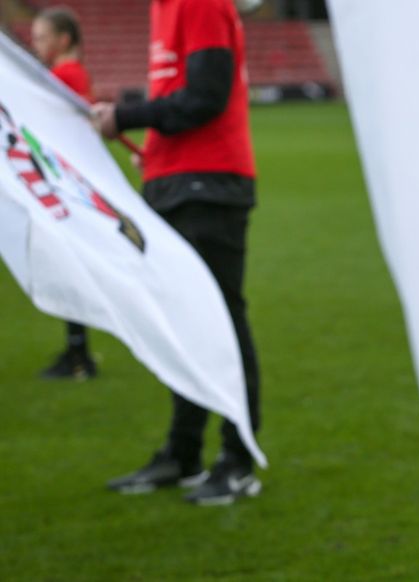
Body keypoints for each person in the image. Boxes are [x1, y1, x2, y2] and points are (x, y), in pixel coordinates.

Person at [91, 0, 261, 506]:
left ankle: (237, 458)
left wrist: (126, 115)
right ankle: (184, 453)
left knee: (222, 322)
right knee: (183, 324)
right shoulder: (165, 6)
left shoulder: (201, 2)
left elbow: (207, 97)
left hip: (207, 183)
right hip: (172, 184)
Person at [31, 6, 99, 380]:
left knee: (66, 268)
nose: (36, 45)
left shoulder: (64, 75)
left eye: (42, 38)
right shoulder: (73, 73)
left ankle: (78, 356)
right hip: (71, 184)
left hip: (63, 186)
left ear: (64, 40)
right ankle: (78, 353)